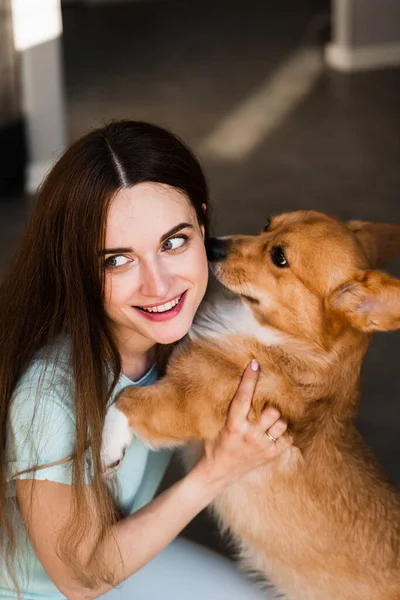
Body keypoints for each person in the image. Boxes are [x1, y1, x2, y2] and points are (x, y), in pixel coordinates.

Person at [0, 121, 288, 600]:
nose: (159, 286)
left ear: (201, 225)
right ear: (77, 267)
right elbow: (81, 577)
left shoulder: (185, 337)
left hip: (119, 560)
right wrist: (217, 470)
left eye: (173, 243)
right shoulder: (48, 398)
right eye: (117, 260)